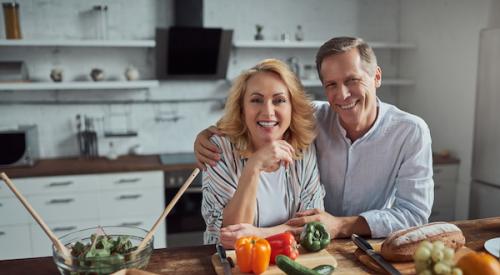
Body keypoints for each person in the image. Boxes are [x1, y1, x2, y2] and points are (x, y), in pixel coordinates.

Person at [195, 37, 434, 240]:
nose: (342, 95)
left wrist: (341, 225)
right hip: (313, 243)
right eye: (331, 84)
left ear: (377, 77)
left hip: (369, 245)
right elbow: (265, 116)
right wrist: (206, 135)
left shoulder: (410, 132)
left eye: (352, 80)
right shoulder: (312, 118)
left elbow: (413, 214)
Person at [201, 58, 325, 247]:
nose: (268, 112)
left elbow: (312, 226)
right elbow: (231, 238)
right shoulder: (219, 150)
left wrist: (260, 234)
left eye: (279, 100)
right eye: (256, 100)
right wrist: (254, 166)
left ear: (292, 107)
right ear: (242, 109)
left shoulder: (303, 149)